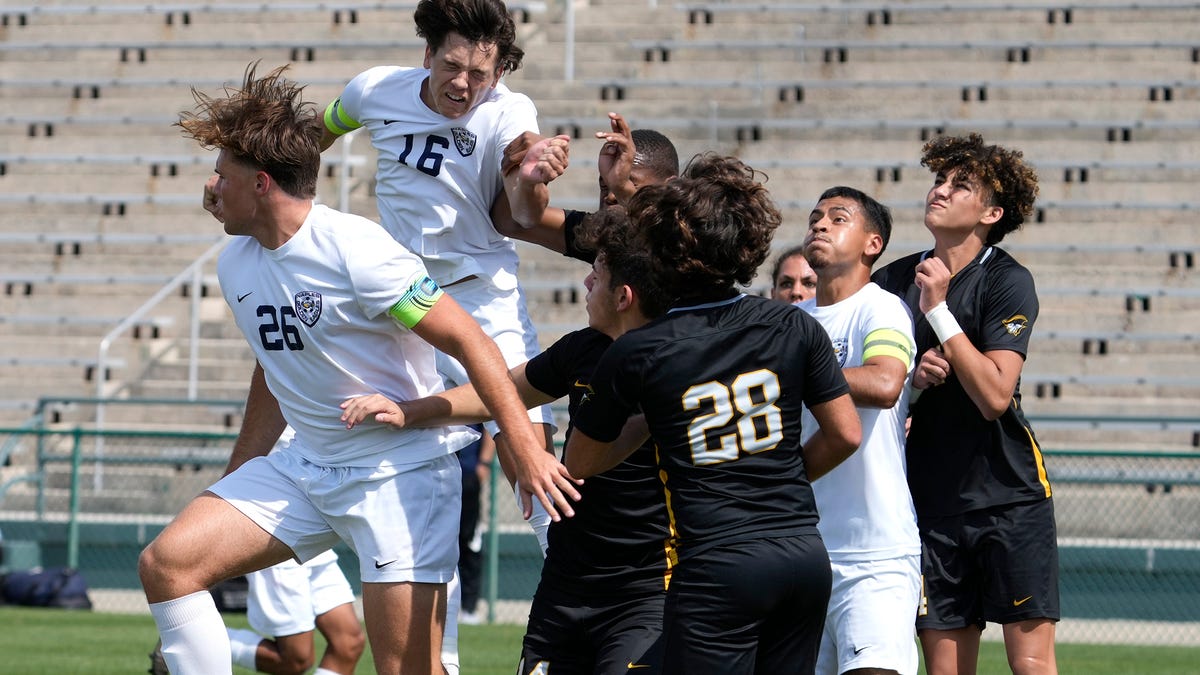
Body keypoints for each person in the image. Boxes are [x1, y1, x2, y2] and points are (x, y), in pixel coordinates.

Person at [138, 64, 578, 675]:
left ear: (261, 183)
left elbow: (471, 339)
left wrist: (525, 446)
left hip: (397, 475)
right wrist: (238, 478)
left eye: (223, 175)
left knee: (406, 670)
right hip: (304, 469)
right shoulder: (237, 262)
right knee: (168, 563)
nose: (211, 188)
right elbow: (277, 364)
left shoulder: (358, 252)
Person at [561, 154, 863, 674]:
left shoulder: (640, 349)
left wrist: (654, 420)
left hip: (719, 563)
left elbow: (581, 460)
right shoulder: (793, 325)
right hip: (803, 554)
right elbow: (845, 434)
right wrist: (776, 480)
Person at [342, 211, 675, 675]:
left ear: (624, 297)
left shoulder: (675, 365)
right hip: (565, 587)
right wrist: (412, 411)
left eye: (595, 277)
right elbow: (496, 391)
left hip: (644, 591)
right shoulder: (581, 348)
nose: (584, 282)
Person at [317, 0, 571, 554]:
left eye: (479, 74)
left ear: (499, 72)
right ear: (427, 52)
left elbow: (527, 213)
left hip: (482, 299)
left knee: (533, 461)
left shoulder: (510, 112)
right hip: (398, 301)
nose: (462, 84)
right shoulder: (373, 90)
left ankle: (573, 600)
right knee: (329, 428)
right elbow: (311, 138)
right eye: (451, 66)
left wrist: (531, 176)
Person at [871, 134, 1057, 675]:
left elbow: (996, 396)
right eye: (939, 180)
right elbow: (880, 384)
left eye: (960, 185)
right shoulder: (891, 282)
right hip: (927, 504)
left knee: (1032, 665)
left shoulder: (1008, 280)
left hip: (1010, 498)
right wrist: (913, 381)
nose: (941, 191)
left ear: (992, 212)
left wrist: (940, 311)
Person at [796, 186, 921, 675]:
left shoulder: (882, 308)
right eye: (815, 217)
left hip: (875, 554)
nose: (820, 224)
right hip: (803, 551)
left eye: (837, 217)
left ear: (873, 244)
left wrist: (796, 375)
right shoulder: (792, 321)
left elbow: (886, 381)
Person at [492, 112, 680, 262]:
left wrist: (623, 189)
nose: (612, 196)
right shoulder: (602, 235)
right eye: (604, 185)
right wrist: (537, 170)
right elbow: (510, 223)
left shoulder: (687, 244)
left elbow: (659, 235)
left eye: (630, 183)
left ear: (670, 187)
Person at [456, 426, 494, 625]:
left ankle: (469, 608)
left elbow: (490, 421)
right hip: (437, 471)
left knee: (469, 540)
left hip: (468, 475)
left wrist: (484, 462)